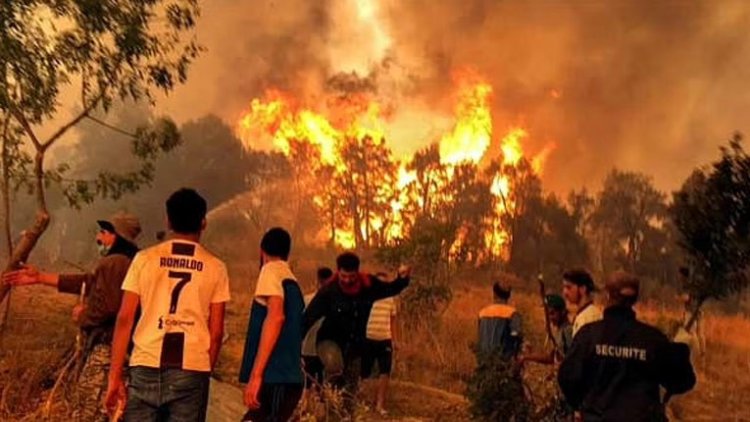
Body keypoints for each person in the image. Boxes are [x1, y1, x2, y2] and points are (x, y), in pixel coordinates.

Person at [104, 188, 231, 421]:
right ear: (203, 223)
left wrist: (114, 377)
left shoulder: (144, 259)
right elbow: (216, 332)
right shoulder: (216, 267)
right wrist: (204, 371)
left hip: (144, 364)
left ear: (168, 220)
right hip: (191, 369)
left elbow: (124, 318)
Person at [3, 212, 141, 421]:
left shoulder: (113, 263)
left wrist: (83, 315)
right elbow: (88, 281)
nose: (98, 238)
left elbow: (109, 307)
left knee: (90, 409)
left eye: (103, 232)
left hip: (107, 350)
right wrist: (40, 277)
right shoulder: (133, 262)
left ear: (117, 236)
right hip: (125, 351)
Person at [558, 272, 696, 422]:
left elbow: (567, 377)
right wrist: (681, 349)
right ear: (635, 299)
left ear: (608, 295)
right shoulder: (652, 339)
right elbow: (682, 381)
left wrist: (584, 406)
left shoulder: (588, 336)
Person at [303, 252, 410, 411]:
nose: (347, 280)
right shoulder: (328, 291)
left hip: (355, 345)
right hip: (328, 342)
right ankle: (328, 400)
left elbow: (391, 288)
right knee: (334, 367)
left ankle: (344, 413)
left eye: (351, 276)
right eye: (343, 276)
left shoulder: (369, 286)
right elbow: (307, 319)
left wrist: (403, 278)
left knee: (350, 389)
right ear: (338, 272)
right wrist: (291, 345)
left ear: (357, 273)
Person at [239, 227, 305, 422]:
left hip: (275, 377)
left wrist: (256, 376)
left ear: (262, 250)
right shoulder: (291, 279)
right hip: (287, 378)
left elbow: (276, 317)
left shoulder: (270, 270)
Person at [361, 294, 397, 416]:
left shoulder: (391, 299)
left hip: (385, 339)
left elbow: (393, 320)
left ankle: (380, 405)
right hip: (368, 338)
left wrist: (394, 340)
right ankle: (363, 402)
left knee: (385, 371)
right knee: (365, 372)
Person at [302, 267, 333, 389]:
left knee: (308, 383)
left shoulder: (307, 299)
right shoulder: (335, 300)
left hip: (309, 347)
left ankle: (308, 405)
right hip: (325, 348)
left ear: (318, 280)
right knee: (322, 383)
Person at [522, 294, 573, 365]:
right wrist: (527, 357)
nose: (550, 318)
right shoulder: (560, 330)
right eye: (548, 314)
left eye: (552, 313)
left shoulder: (568, 331)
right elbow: (551, 357)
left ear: (563, 312)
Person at [477, 281, 522, 359]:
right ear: (509, 296)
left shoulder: (482, 313)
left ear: (494, 294)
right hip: (503, 362)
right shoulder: (512, 313)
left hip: (483, 360)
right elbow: (516, 335)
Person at [561, 269, 602, 337]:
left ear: (582, 289)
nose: (565, 292)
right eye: (564, 287)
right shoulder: (583, 315)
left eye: (569, 287)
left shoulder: (589, 318)